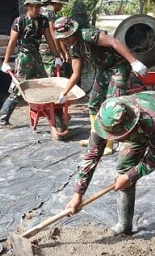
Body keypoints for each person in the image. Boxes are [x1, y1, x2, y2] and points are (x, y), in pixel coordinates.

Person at [65, 91, 155, 249]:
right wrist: (78, 194)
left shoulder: (152, 119)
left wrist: (131, 176)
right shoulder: (103, 121)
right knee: (124, 166)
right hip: (136, 128)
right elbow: (91, 156)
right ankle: (124, 224)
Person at [51, 16, 149, 153]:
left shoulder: (88, 35)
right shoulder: (75, 48)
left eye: (67, 38)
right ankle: (95, 137)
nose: (66, 41)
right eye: (63, 39)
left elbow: (114, 42)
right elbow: (75, 74)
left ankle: (110, 142)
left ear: (74, 32)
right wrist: (64, 93)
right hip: (103, 69)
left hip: (118, 67)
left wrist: (134, 62)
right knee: (93, 103)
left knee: (112, 102)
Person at [0, 0, 63, 130]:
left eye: (37, 7)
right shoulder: (19, 21)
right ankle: (2, 120)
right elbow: (12, 42)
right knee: (18, 88)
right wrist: (6, 61)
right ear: (27, 7)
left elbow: (49, 39)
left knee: (45, 84)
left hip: (37, 56)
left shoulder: (43, 20)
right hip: (24, 57)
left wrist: (56, 55)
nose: (35, 9)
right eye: (32, 7)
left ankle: (52, 115)